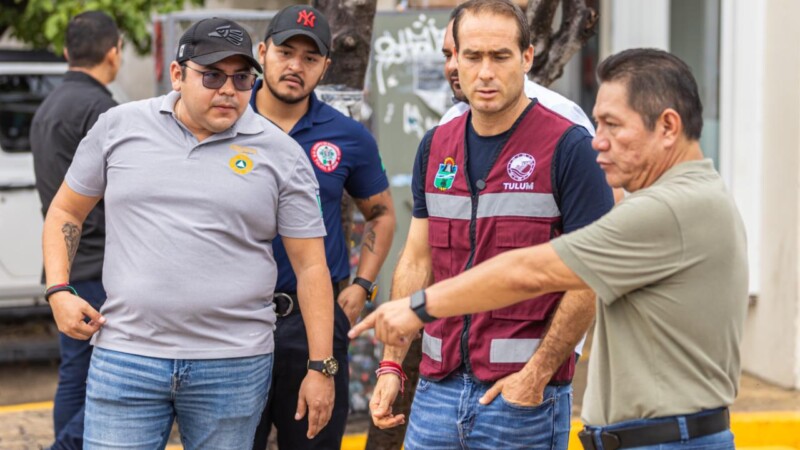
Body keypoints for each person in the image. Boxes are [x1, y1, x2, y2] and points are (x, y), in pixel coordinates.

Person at [352, 47, 748, 450]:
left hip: (666, 440)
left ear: (667, 126)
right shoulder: (695, 195)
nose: (599, 142)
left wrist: (418, 307)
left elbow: (530, 272)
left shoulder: (667, 210)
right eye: (598, 124)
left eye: (613, 125)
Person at [41, 17, 336, 449]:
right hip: (127, 356)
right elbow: (66, 210)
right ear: (177, 74)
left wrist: (321, 366)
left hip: (233, 364)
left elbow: (311, 266)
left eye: (241, 78)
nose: (228, 89)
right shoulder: (119, 126)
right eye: (212, 75)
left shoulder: (282, 154)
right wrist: (58, 290)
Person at [360, 0, 614, 448]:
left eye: (500, 56)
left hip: (521, 400)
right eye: (472, 56)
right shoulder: (436, 145)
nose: (485, 72)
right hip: (435, 393)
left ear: (527, 57)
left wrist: (536, 376)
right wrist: (392, 364)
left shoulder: (570, 147)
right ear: (455, 59)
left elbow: (590, 275)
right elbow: (417, 259)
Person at [249, 5, 396, 450]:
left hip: (312, 323)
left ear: (325, 66)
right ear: (262, 52)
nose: (296, 66)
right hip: (234, 319)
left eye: (310, 58)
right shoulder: (227, 120)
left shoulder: (348, 135)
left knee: (314, 441)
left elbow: (382, 213)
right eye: (285, 52)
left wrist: (363, 285)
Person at [30, 11, 121, 450]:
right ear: (114, 53)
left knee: (74, 372)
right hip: (99, 264)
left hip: (63, 266)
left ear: (67, 51)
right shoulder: (103, 110)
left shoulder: (47, 104)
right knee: (117, 375)